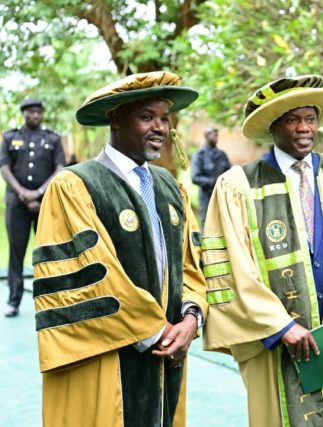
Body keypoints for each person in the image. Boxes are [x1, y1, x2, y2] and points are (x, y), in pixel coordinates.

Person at [201, 75, 323, 426]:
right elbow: (230, 266)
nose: (304, 128)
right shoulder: (238, 185)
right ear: (273, 126)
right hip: (273, 343)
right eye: (292, 120)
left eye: (310, 119)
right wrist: (280, 326)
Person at [32, 71, 208, 427]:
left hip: (169, 354)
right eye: (146, 117)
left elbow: (190, 266)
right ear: (115, 119)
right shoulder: (76, 185)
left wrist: (191, 318)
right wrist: (158, 332)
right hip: (107, 357)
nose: (159, 128)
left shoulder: (170, 187)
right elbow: (90, 274)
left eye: (164, 118)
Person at [0, 98, 65, 317]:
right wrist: (23, 193)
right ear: (24, 113)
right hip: (16, 205)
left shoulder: (52, 138)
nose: (35, 115)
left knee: (48, 250)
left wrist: (38, 193)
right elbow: (4, 167)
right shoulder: (10, 137)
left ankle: (52, 300)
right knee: (16, 252)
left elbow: (60, 168)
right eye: (31, 112)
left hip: (44, 203)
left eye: (39, 111)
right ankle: (13, 301)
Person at [191, 127, 231, 225]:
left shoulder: (222, 154)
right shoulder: (199, 155)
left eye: (217, 135)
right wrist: (212, 181)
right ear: (206, 136)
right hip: (206, 197)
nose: (216, 137)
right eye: (213, 134)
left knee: (224, 224)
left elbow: (230, 172)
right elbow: (195, 177)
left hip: (222, 196)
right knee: (207, 224)